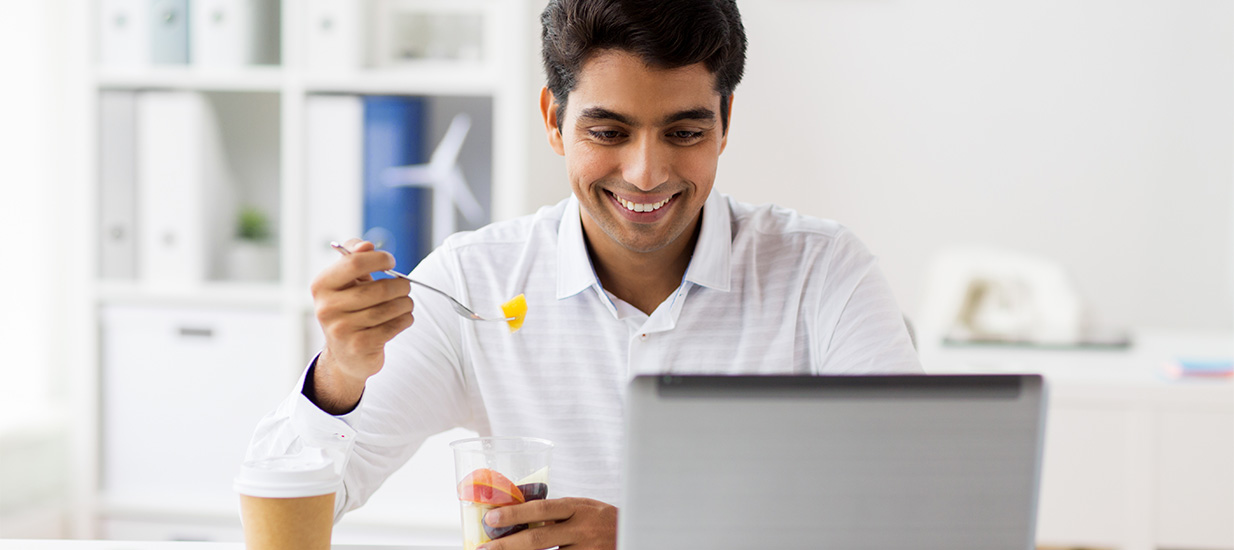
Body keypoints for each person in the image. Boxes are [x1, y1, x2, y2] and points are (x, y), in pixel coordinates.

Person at [247, 1, 922, 548]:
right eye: (609, 132)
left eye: (684, 133)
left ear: (724, 124)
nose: (646, 173)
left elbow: (914, 519)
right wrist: (340, 375)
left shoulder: (823, 275)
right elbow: (281, 516)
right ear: (554, 119)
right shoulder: (475, 283)